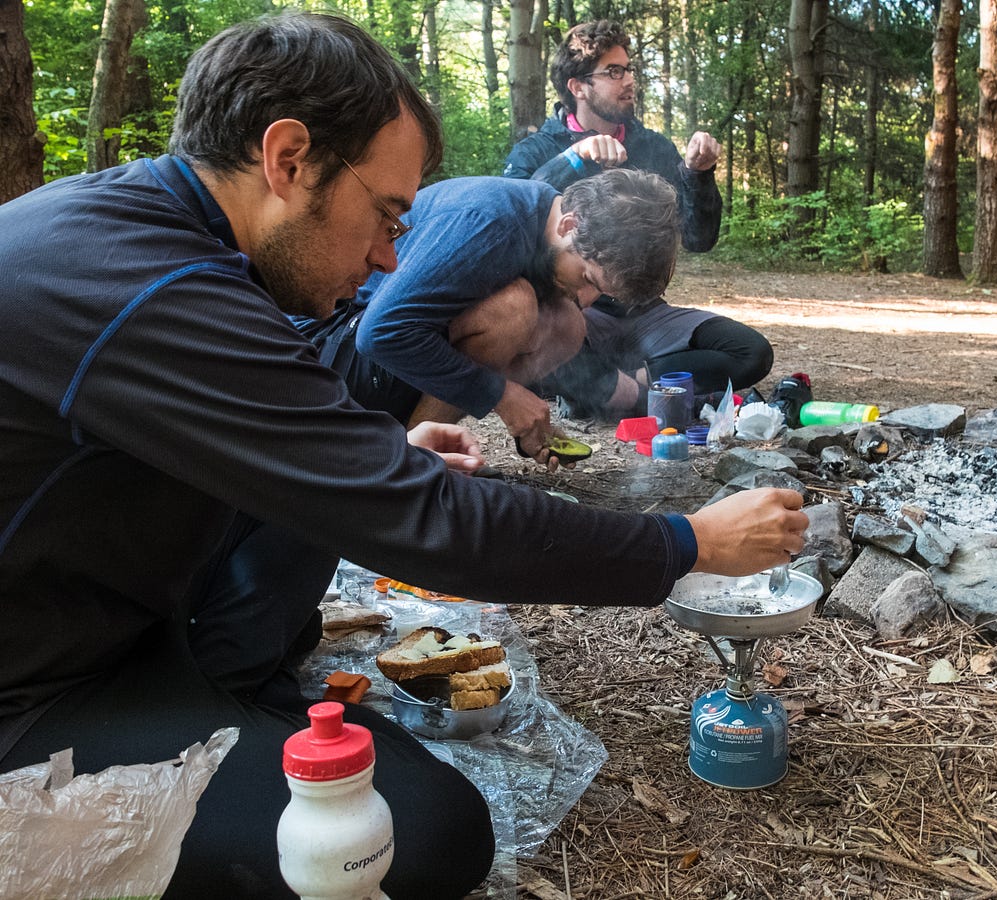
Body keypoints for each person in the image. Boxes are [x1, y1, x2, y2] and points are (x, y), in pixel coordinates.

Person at [0, 11, 808, 900]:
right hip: (34, 699)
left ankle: (227, 685)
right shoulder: (150, 290)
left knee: (362, 764)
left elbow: (217, 458)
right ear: (289, 159)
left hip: (98, 616)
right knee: (420, 836)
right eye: (386, 215)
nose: (392, 253)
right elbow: (429, 523)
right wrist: (685, 543)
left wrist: (379, 445)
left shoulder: (147, 227)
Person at [296, 168, 680, 460]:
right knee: (514, 307)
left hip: (389, 359)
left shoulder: (546, 228)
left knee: (567, 324)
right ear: (570, 224)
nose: (586, 296)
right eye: (587, 278)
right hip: (329, 355)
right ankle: (411, 464)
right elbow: (379, 333)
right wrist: (501, 395)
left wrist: (528, 422)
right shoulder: (490, 223)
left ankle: (423, 445)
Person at [502, 19, 774, 420]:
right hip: (570, 311)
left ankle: (627, 384)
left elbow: (698, 238)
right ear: (578, 87)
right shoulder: (535, 151)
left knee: (751, 352)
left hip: (643, 313)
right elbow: (510, 222)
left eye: (629, 69)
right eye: (614, 72)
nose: (629, 80)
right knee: (534, 338)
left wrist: (698, 175)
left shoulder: (652, 147)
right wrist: (572, 160)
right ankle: (612, 386)